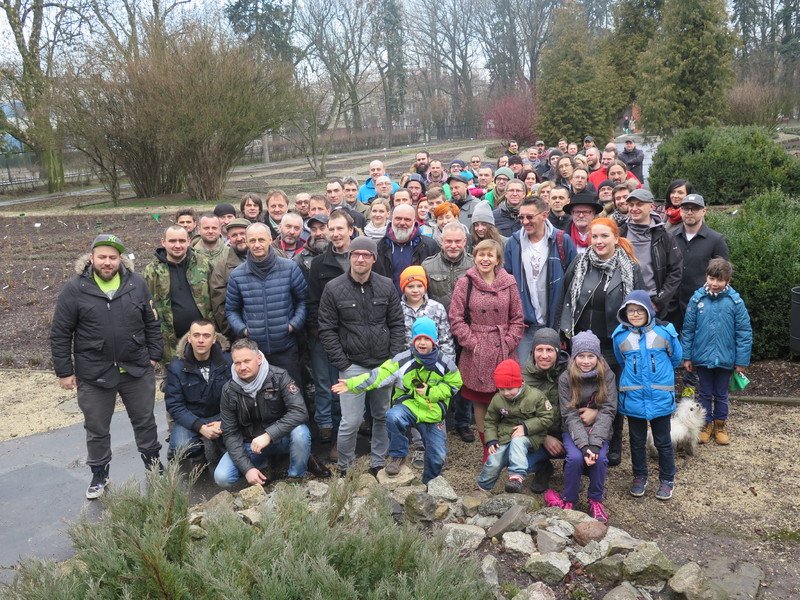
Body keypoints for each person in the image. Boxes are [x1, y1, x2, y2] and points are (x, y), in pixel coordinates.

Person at [51, 234, 163, 499]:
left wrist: (154, 355)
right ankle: (99, 474)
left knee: (145, 421)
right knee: (97, 427)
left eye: (113, 257)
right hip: (94, 373)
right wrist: (65, 371)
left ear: (120, 259)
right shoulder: (75, 289)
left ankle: (154, 465)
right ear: (92, 257)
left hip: (135, 368)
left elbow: (152, 322)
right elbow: (60, 332)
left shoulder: (136, 284)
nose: (107, 262)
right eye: (102, 257)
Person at [333, 317, 462, 484]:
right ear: (413, 341)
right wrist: (351, 384)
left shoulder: (445, 363)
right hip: (408, 406)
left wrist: (431, 391)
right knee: (392, 416)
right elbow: (378, 375)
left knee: (437, 456)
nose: (422, 343)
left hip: (433, 412)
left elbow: (455, 384)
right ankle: (398, 455)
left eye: (426, 339)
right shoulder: (402, 359)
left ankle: (430, 482)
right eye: (418, 339)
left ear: (434, 341)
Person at [559, 217, 644, 466]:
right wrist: (562, 332)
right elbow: (565, 298)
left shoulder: (630, 268)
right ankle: (580, 442)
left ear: (615, 239)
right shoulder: (579, 263)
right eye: (594, 236)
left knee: (609, 394)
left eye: (604, 236)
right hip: (583, 342)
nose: (598, 241)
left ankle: (613, 441)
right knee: (579, 391)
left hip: (613, 342)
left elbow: (639, 305)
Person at [318, 236, 406, 475]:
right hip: (352, 365)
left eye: (366, 255)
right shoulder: (334, 288)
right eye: (356, 254)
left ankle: (377, 462)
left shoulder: (387, 285)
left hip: (383, 364)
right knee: (351, 421)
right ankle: (345, 467)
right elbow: (326, 328)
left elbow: (398, 324)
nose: (360, 259)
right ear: (349, 257)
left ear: (373, 259)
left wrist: (393, 359)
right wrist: (342, 363)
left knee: (381, 415)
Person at [449, 239, 525, 462]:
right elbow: (455, 317)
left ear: (497, 259)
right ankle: (487, 449)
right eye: (480, 254)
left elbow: (518, 317)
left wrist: (509, 342)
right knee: (481, 402)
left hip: (503, 348)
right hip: (476, 350)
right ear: (474, 256)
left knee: (506, 400)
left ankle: (509, 446)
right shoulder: (466, 283)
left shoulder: (508, 282)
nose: (485, 258)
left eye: (490, 255)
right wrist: (472, 343)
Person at [213, 339, 320, 487]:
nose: (242, 367)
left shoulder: (279, 376)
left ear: (258, 359)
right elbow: (230, 433)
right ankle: (261, 467)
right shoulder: (228, 390)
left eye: (247, 361)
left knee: (301, 433)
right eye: (237, 363)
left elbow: (300, 412)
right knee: (222, 477)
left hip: (281, 438)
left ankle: (296, 478)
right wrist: (247, 469)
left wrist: (269, 435)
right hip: (250, 445)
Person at [613, 292, 683, 500]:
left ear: (648, 311)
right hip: (634, 397)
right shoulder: (620, 336)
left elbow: (676, 358)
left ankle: (667, 478)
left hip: (659, 396)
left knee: (663, 441)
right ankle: (639, 476)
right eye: (630, 310)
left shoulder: (664, 332)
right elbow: (621, 360)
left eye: (639, 310)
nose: (634, 314)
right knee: (636, 440)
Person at [543, 331, 616, 523]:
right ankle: (569, 498)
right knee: (575, 458)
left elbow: (608, 409)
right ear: (574, 357)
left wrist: (595, 445)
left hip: (599, 428)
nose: (586, 361)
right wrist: (584, 446)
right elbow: (569, 414)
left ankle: (595, 499)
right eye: (581, 356)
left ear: (598, 357)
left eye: (590, 356)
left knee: (599, 459)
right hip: (574, 428)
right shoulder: (566, 378)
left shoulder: (607, 375)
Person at [225, 223, 308, 386]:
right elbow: (231, 310)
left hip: (286, 347)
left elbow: (303, 301)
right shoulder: (237, 275)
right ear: (247, 242)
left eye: (261, 239)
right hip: (255, 350)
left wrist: (292, 325)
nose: (257, 245)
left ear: (270, 239)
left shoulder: (289, 268)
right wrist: (244, 330)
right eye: (252, 240)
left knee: (293, 394)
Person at [681, 258, 752, 446]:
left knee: (721, 394)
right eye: (712, 278)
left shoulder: (735, 302)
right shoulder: (697, 299)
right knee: (704, 393)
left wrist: (741, 361)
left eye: (719, 280)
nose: (714, 283)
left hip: (725, 358)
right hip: (702, 357)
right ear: (707, 276)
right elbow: (688, 329)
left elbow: (744, 332)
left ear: (728, 280)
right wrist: (687, 355)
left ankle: (720, 425)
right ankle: (706, 424)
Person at [504, 197, 577, 362]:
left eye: (529, 217)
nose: (524, 221)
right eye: (521, 217)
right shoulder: (513, 243)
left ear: (544, 215)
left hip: (554, 325)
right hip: (525, 326)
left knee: (553, 376)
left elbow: (574, 281)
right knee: (524, 375)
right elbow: (507, 282)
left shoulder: (561, 241)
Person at [306, 211, 354, 451]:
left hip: (354, 335)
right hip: (327, 334)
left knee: (348, 384)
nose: (335, 234)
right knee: (326, 383)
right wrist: (321, 331)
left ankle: (348, 435)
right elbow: (312, 300)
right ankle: (331, 432)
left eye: (339, 229)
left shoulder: (362, 258)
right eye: (331, 229)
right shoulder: (318, 264)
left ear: (350, 231)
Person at [477, 359, 554, 493]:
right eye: (501, 389)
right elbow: (490, 420)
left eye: (510, 388)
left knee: (518, 443)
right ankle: (483, 487)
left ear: (520, 383)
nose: (506, 393)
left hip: (531, 435)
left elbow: (547, 417)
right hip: (505, 434)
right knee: (495, 458)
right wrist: (491, 440)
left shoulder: (535, 396)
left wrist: (525, 427)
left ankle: (516, 477)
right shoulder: (498, 399)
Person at [164, 319, 232, 470]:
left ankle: (219, 445)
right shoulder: (176, 366)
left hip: (221, 416)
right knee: (181, 446)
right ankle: (197, 454)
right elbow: (174, 405)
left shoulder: (228, 361)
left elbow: (237, 397)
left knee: (235, 444)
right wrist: (200, 427)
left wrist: (223, 421)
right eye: (196, 335)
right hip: (193, 418)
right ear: (189, 338)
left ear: (214, 339)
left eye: (206, 336)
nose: (201, 340)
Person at [143, 225, 213, 364]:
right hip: (170, 342)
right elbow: (147, 306)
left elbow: (215, 297)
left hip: (203, 339)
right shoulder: (152, 271)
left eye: (181, 241)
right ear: (163, 242)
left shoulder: (203, 264)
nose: (177, 245)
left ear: (188, 241)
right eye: (172, 241)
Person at [671, 193, 729, 339]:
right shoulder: (669, 236)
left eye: (694, 209)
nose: (689, 212)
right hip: (672, 305)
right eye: (685, 208)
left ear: (704, 211)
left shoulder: (716, 240)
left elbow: (722, 274)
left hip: (703, 304)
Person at [620, 188, 683, 321]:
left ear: (651, 206)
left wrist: (660, 301)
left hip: (652, 302)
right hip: (624, 301)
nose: (634, 208)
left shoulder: (664, 236)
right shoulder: (620, 233)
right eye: (631, 205)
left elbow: (675, 271)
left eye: (639, 204)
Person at [523, 328, 569, 493]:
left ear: (558, 351)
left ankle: (571, 469)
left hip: (567, 433)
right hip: (539, 436)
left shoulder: (571, 372)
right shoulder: (524, 378)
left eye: (549, 350)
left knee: (580, 458)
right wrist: (544, 438)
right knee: (518, 461)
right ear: (532, 351)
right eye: (539, 350)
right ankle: (543, 467)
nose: (544, 355)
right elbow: (516, 418)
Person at [376, 203, 439, 291]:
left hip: (418, 301)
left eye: (407, 219)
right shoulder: (380, 246)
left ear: (414, 221)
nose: (402, 223)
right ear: (391, 219)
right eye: (398, 218)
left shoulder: (429, 245)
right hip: (388, 302)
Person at [210, 218, 250, 341]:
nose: (239, 238)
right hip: (239, 334)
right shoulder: (221, 267)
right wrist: (235, 331)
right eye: (234, 235)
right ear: (229, 238)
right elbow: (219, 305)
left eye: (243, 234)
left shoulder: (272, 258)